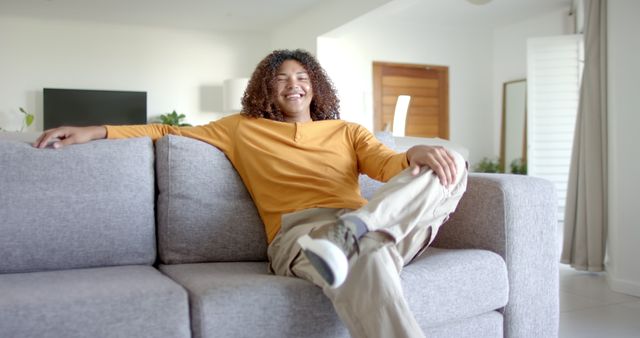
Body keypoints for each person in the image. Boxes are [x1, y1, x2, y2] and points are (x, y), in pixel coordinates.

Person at [34, 49, 468, 338]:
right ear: (265, 87)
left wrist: (417, 152)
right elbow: (167, 130)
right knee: (369, 255)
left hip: (373, 220)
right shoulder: (241, 128)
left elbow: (390, 166)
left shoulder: (347, 131)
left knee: (454, 166)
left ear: (315, 84)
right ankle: (353, 237)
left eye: (301, 76)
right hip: (305, 235)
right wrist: (96, 130)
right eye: (280, 78)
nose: (292, 84)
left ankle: (359, 228)